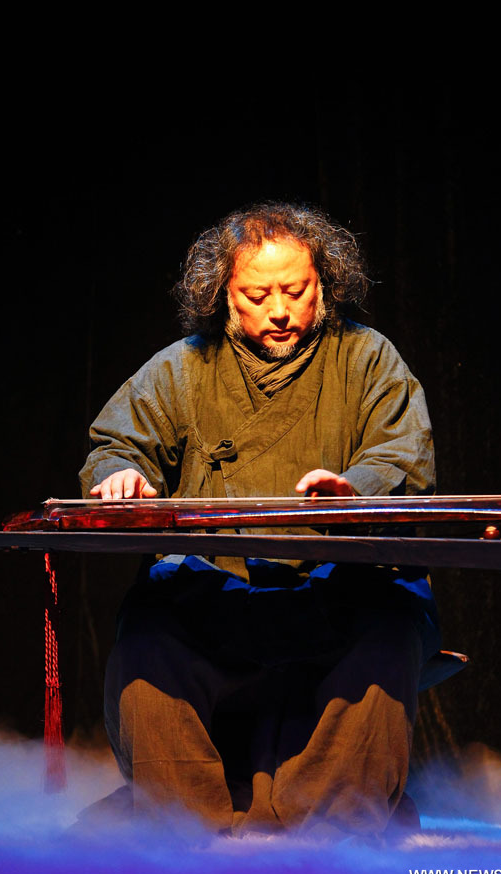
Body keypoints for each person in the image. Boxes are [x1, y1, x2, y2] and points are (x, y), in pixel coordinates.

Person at [79, 202, 440, 840]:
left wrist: (353, 489)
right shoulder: (181, 368)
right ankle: (186, 827)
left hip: (337, 589)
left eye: (296, 291)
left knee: (390, 626)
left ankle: (332, 830)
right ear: (223, 297)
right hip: (215, 592)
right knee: (149, 635)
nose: (280, 310)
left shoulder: (367, 358)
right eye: (258, 294)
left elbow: (399, 453)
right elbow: (118, 445)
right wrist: (119, 477)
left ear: (323, 284)